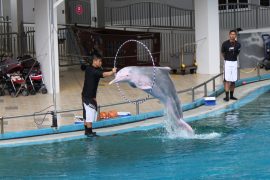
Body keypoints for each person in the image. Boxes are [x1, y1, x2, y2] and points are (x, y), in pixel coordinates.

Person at [82, 54, 117, 136]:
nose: (101, 62)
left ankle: (87, 131)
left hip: (85, 95)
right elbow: (103, 74)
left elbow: (103, 71)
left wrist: (111, 70)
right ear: (94, 61)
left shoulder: (91, 68)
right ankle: (89, 132)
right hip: (88, 96)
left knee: (86, 113)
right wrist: (112, 72)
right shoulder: (92, 70)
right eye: (99, 61)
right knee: (90, 113)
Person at [221, 29, 241, 102]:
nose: (232, 35)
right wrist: (227, 58)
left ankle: (231, 96)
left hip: (234, 62)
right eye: (231, 34)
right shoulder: (225, 44)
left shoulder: (238, 44)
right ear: (229, 35)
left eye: (234, 34)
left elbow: (238, 53)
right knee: (227, 79)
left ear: (235, 35)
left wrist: (232, 58)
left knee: (233, 80)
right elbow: (222, 53)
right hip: (227, 62)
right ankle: (227, 96)